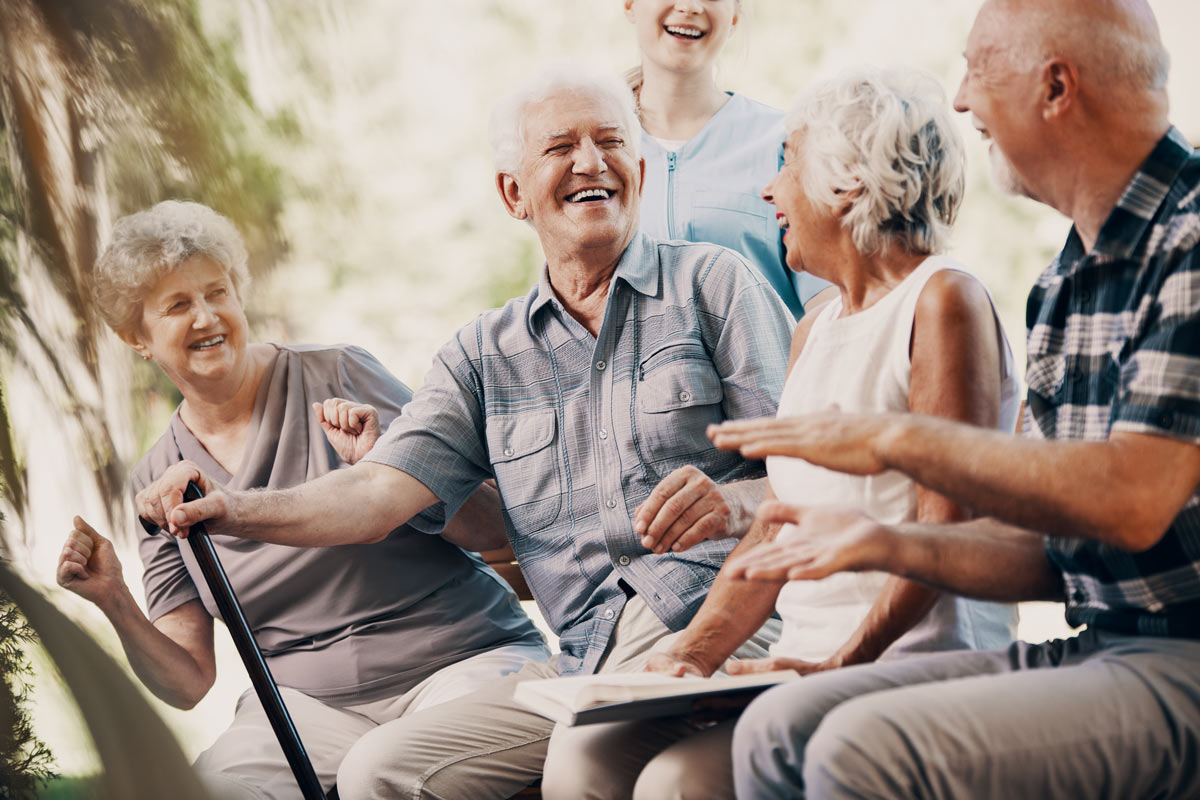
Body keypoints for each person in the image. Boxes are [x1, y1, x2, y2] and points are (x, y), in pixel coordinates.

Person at [134, 66, 796, 800]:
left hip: (718, 614)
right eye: (561, 147)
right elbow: (375, 494)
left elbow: (812, 474)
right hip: (580, 658)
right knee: (380, 770)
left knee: (589, 766)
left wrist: (735, 505)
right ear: (513, 193)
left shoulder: (714, 284)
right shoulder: (483, 354)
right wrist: (233, 507)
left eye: (611, 142)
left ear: (639, 172)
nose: (590, 162)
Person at [708, 0, 1200, 797]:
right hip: (1099, 640)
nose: (962, 100)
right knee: (776, 728)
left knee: (859, 750)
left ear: (1055, 86)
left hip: (1184, 652)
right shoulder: (1066, 281)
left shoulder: (1191, 239)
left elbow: (1135, 501)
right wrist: (882, 542)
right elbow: (1046, 553)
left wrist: (895, 441)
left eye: (978, 67)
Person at [597, 66, 1018, 800]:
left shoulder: (943, 298)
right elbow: (773, 532)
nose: (769, 193)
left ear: (845, 183)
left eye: (784, 163)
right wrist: (688, 657)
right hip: (810, 668)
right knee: (604, 762)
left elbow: (940, 535)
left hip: (917, 668)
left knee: (676, 786)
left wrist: (837, 668)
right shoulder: (815, 328)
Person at [55, 200, 548, 799]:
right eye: (178, 304)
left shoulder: (338, 374)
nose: (207, 316)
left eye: (218, 292)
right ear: (138, 337)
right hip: (308, 711)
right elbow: (187, 681)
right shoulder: (156, 479)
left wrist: (387, 465)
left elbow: (493, 527)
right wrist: (114, 599)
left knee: (381, 774)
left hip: (458, 665)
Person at [625, 0, 831, 318]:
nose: (690, 6)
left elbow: (827, 304)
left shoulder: (786, 143)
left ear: (734, 16)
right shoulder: (594, 151)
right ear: (630, 5)